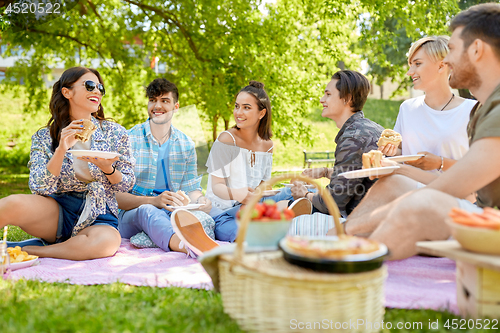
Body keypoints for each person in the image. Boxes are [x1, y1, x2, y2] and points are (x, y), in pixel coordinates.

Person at [342, 3, 500, 260]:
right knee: (395, 183)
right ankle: (339, 240)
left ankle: (349, 261)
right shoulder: (483, 107)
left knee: (421, 202)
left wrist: (402, 175)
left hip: (490, 221)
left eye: (452, 50)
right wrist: (396, 171)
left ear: (477, 50)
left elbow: (458, 187)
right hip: (480, 214)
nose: (447, 60)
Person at [2, 67, 135, 260]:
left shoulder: (115, 133)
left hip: (100, 213)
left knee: (105, 244)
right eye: (89, 86)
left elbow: (127, 184)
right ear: (67, 92)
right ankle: (62, 244)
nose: (97, 91)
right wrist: (61, 148)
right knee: (12, 203)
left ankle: (24, 250)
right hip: (58, 210)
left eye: (100, 88)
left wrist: (108, 168)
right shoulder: (44, 136)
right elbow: (39, 186)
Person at [346, 36, 477, 221]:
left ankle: (343, 233)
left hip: (454, 196)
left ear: (442, 66)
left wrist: (440, 162)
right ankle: (345, 234)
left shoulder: (471, 111)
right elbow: (402, 151)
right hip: (408, 191)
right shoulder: (408, 108)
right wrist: (391, 150)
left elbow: (479, 169)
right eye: (410, 64)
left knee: (392, 184)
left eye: (417, 64)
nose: (410, 72)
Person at [116, 78, 237, 256]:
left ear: (176, 106)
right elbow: (116, 197)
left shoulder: (186, 144)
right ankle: (189, 246)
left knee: (217, 212)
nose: (157, 106)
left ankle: (248, 242)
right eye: (152, 100)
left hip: (174, 210)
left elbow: (191, 189)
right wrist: (154, 201)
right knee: (147, 211)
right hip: (133, 214)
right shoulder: (128, 139)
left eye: (164, 101)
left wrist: (201, 201)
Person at [290, 70, 384, 218]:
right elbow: (356, 179)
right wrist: (325, 172)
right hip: (374, 212)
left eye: (328, 94)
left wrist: (305, 194)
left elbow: (332, 203)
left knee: (283, 207)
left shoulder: (353, 137)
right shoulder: (369, 128)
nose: (322, 100)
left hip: (361, 220)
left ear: (347, 98)